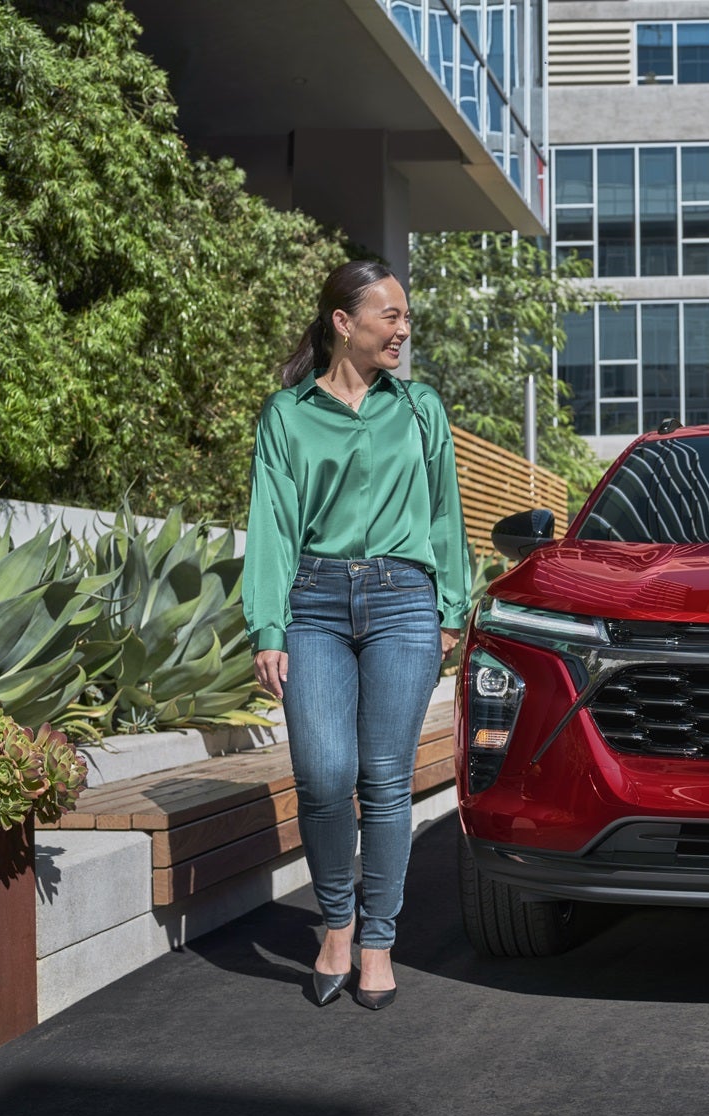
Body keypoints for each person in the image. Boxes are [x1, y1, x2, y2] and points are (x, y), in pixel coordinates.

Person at [245, 260, 472, 1010]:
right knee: (322, 773)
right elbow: (272, 524)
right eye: (390, 315)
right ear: (344, 323)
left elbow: (445, 512)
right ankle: (335, 924)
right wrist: (268, 625)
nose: (404, 329)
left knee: (383, 777)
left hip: (405, 603)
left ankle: (377, 939)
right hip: (313, 602)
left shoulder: (420, 408)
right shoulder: (287, 414)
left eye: (406, 316)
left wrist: (451, 609)